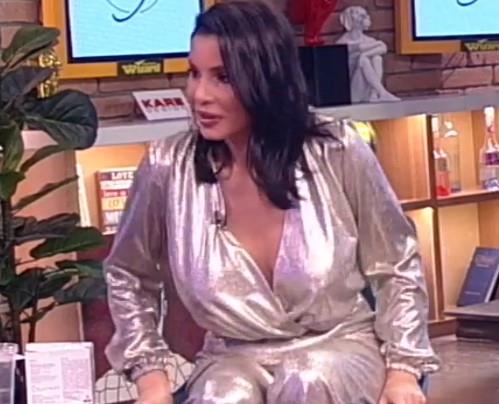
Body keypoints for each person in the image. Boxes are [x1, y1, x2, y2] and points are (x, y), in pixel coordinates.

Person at [104, 1, 440, 403]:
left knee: (307, 379)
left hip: (338, 346)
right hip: (232, 356)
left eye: (223, 77)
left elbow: (397, 265)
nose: (199, 95)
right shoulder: (167, 166)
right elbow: (127, 273)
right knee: (222, 395)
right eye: (194, 73)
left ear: (267, 78)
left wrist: (403, 370)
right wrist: (151, 378)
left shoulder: (337, 149)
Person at [337, 6, 399, 103]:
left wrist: (365, 54)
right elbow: (360, 47)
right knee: (363, 61)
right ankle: (382, 92)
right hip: (353, 90)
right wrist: (367, 53)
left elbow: (383, 48)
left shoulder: (368, 40)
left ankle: (375, 93)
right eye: (358, 15)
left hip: (368, 91)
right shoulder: (343, 42)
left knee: (377, 58)